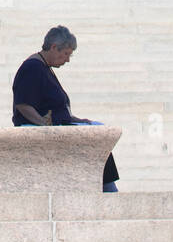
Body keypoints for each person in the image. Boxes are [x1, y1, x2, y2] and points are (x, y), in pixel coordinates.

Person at [12, 25, 120, 192]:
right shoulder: (32, 68)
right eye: (66, 54)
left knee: (97, 128)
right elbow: (23, 105)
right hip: (44, 129)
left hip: (60, 125)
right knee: (95, 135)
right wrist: (43, 124)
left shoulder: (44, 68)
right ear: (54, 47)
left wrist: (78, 120)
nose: (67, 59)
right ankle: (107, 189)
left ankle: (106, 185)